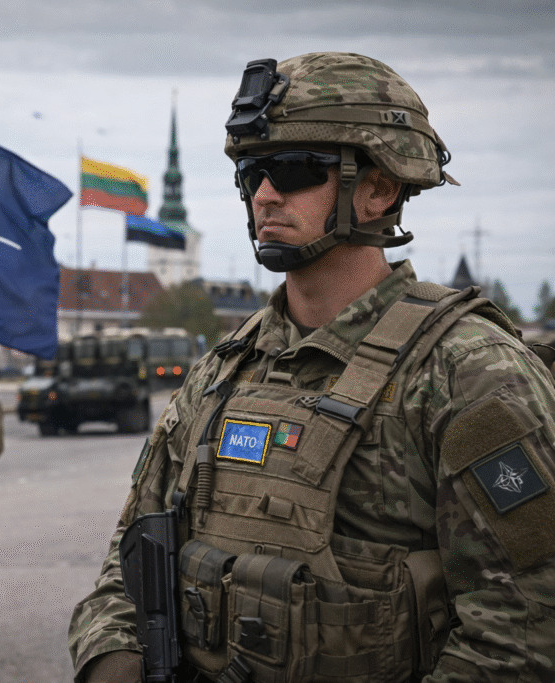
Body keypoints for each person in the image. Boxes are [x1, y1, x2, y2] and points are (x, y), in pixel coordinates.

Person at [68, 52, 555, 683]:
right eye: (251, 173)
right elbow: (129, 565)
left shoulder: (467, 372)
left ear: (378, 189)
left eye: (295, 170)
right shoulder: (222, 371)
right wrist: (113, 659)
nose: (264, 194)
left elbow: (523, 628)